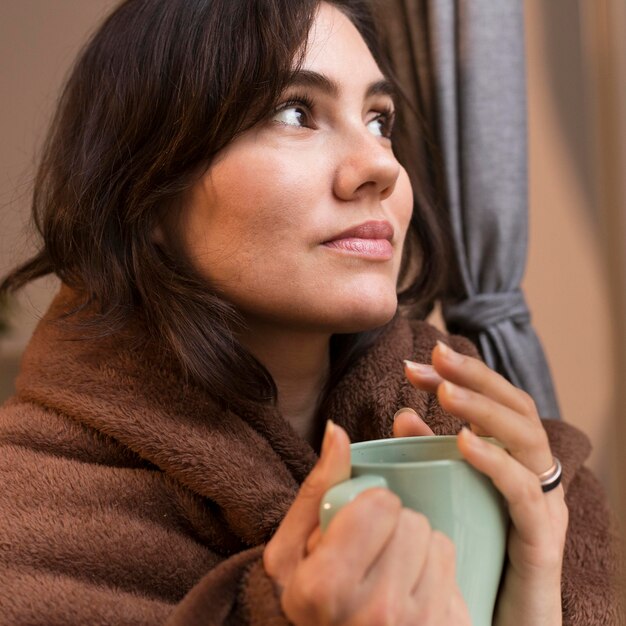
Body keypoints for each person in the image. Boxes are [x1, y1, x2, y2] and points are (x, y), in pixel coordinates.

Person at [0, 0, 621, 624]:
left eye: (380, 120)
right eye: (295, 112)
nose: (381, 166)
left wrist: (535, 599)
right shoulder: (24, 513)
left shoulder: (497, 452)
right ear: (148, 192)